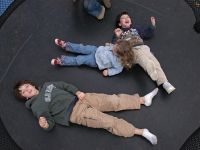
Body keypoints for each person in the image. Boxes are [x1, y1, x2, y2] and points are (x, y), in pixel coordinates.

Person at [13, 79, 158, 145]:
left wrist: (77, 91)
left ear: (31, 84)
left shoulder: (47, 85)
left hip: (82, 98)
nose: (27, 89)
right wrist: (45, 125)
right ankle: (141, 132)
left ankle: (143, 100)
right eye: (23, 91)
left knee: (113, 100)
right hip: (76, 113)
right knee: (108, 122)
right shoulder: (36, 106)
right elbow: (49, 123)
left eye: (26, 86)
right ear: (25, 97)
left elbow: (64, 85)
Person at [111, 12, 175, 94]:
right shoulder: (120, 33)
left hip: (143, 47)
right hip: (131, 51)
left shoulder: (136, 28)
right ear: (119, 24)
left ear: (131, 21)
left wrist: (152, 25)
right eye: (123, 18)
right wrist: (116, 35)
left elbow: (146, 34)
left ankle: (165, 83)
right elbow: (115, 45)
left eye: (128, 17)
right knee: (142, 57)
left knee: (155, 62)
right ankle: (149, 69)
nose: (126, 18)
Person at [51, 39, 134, 77]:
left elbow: (118, 70)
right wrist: (109, 45)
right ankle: (67, 45)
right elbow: (114, 46)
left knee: (80, 59)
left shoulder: (118, 62)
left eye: (115, 50)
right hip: (96, 50)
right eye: (114, 46)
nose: (113, 49)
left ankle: (63, 61)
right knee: (81, 47)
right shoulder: (117, 47)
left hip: (96, 61)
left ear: (120, 55)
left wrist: (109, 72)